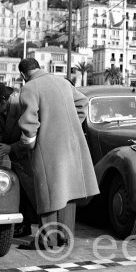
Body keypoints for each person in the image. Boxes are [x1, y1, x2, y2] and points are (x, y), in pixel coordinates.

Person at [17, 58, 99, 249]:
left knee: (48, 193)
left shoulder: (30, 88)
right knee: (68, 191)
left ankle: (47, 240)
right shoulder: (63, 82)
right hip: (71, 144)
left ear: (23, 75)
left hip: (47, 146)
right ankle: (65, 237)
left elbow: (29, 123)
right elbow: (83, 102)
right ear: (39, 67)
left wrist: (27, 144)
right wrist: (71, 124)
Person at [0, 83, 37, 237]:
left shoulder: (21, 107)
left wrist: (11, 148)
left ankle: (25, 225)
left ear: (3, 101)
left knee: (25, 190)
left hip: (25, 155)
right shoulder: (2, 109)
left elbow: (30, 136)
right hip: (8, 156)